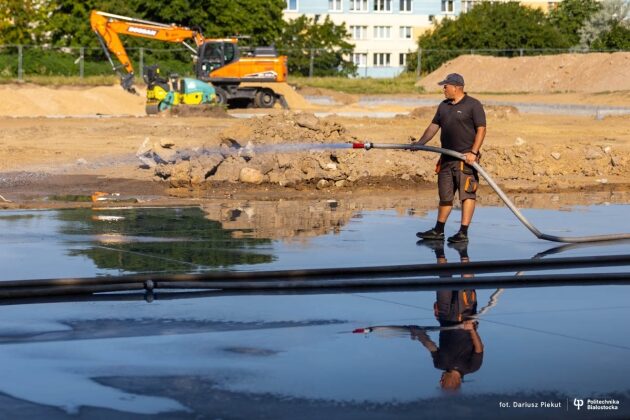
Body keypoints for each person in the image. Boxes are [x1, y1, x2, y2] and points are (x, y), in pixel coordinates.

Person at [414, 73, 487, 243]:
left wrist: (474, 153)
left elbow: (481, 129)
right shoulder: (444, 106)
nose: (443, 89)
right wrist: (420, 143)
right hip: (446, 158)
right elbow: (433, 126)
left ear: (456, 87)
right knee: (445, 196)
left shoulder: (473, 105)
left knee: (467, 194)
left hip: (465, 159)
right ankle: (438, 231)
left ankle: (463, 232)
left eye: (445, 86)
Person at [411, 241, 484, 391]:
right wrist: (471, 330)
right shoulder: (472, 367)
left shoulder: (439, 364)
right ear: (453, 384)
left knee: (444, 278)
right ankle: (463, 251)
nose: (441, 379)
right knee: (466, 281)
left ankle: (439, 249)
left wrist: (419, 334)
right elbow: (479, 349)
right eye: (442, 383)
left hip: (444, 315)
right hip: (465, 316)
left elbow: (430, 346)